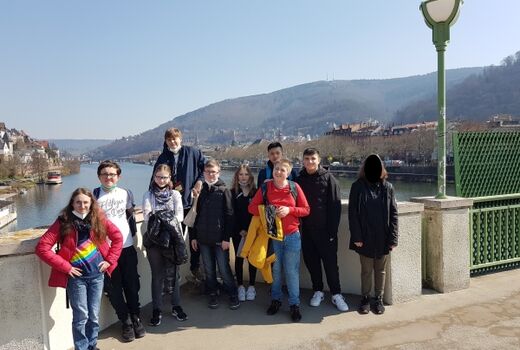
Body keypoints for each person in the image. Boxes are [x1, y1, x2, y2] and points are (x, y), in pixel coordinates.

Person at [35, 188, 123, 350]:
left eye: (86, 202)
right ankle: (81, 348)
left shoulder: (99, 219)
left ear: (91, 204)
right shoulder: (63, 221)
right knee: (81, 317)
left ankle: (92, 345)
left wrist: (110, 261)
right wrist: (66, 267)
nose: (82, 206)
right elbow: (42, 247)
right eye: (78, 202)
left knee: (94, 316)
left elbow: (118, 238)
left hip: (97, 276)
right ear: (72, 203)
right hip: (76, 279)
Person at [249, 159, 310, 322]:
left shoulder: (294, 188)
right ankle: (276, 300)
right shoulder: (265, 187)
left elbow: (306, 210)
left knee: (291, 271)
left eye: (283, 170)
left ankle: (294, 305)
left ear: (288, 173)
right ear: (273, 169)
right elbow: (252, 208)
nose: (279, 172)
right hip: (273, 237)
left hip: (292, 235)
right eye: (276, 169)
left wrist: (289, 210)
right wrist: (268, 210)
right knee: (275, 271)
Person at [94, 160, 145, 342]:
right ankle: (126, 322)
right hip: (106, 252)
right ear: (99, 176)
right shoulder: (94, 195)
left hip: (127, 246)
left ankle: (136, 317)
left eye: (112, 174)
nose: (109, 177)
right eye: (105, 174)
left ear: (118, 176)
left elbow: (130, 215)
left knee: (132, 285)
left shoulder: (126, 193)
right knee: (114, 290)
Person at [295, 148, 349, 312]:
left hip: (326, 232)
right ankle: (318, 291)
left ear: (319, 160)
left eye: (313, 158)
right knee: (312, 263)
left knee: (331, 265)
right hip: (306, 232)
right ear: (302, 161)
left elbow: (335, 207)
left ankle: (336, 294)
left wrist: (332, 232)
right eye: (307, 159)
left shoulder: (329, 179)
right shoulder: (299, 180)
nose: (310, 162)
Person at [151, 127, 206, 282]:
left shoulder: (193, 153)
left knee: (196, 239)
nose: (172, 141)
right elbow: (155, 179)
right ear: (166, 141)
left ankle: (196, 268)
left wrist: (199, 182)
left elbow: (205, 169)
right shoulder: (163, 157)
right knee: (175, 240)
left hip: (191, 204)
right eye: (169, 139)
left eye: (175, 138)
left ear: (180, 139)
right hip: (173, 207)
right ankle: (174, 275)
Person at [348, 154, 398, 315]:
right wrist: (357, 237)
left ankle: (379, 299)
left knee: (381, 270)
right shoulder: (357, 186)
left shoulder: (388, 187)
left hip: (383, 237)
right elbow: (352, 214)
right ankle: (365, 299)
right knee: (366, 270)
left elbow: (394, 214)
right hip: (364, 237)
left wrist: (393, 239)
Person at [190, 159, 240, 310]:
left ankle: (232, 293)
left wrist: (226, 239)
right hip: (203, 239)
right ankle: (212, 292)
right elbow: (194, 215)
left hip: (220, 240)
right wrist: (193, 236)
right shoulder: (200, 191)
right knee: (209, 269)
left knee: (224, 269)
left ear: (219, 172)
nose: (211, 175)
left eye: (213, 172)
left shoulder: (224, 191)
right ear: (204, 173)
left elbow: (230, 216)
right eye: (208, 172)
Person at [143, 164, 188, 326]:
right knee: (157, 276)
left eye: (164, 177)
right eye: (158, 177)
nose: (161, 180)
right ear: (154, 177)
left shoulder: (175, 194)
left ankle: (176, 306)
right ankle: (157, 309)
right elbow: (148, 216)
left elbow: (180, 216)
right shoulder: (148, 194)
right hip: (154, 241)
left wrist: (160, 217)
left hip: (172, 240)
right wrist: (167, 219)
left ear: (170, 179)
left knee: (174, 274)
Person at [230, 164, 258, 301]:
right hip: (238, 233)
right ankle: (240, 286)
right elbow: (231, 214)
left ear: (250, 176)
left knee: (252, 259)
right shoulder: (232, 193)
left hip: (252, 232)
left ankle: (252, 286)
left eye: (246, 174)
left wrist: (250, 231)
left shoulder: (256, 192)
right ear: (237, 176)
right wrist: (240, 230)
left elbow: (257, 214)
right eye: (241, 174)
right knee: (239, 258)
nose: (243, 177)